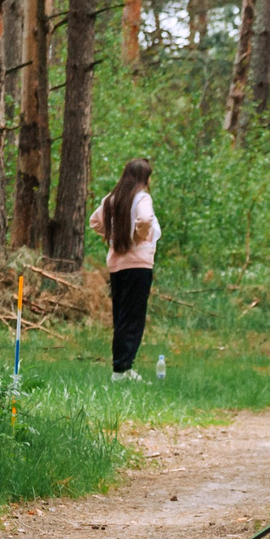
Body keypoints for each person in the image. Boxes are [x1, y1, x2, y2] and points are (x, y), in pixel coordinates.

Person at [96, 157, 160, 381]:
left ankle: (122, 366)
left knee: (121, 315)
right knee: (133, 317)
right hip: (138, 264)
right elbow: (144, 219)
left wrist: (115, 235)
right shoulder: (142, 198)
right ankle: (122, 369)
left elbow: (95, 221)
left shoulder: (113, 199)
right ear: (145, 178)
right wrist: (136, 236)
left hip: (116, 265)